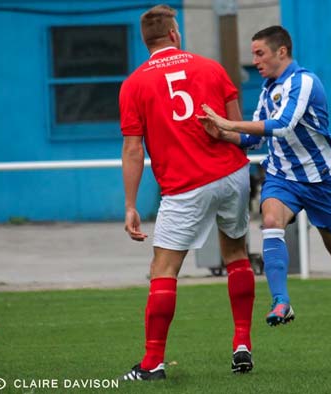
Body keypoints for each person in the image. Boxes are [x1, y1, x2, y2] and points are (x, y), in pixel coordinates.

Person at [198, 25, 331, 327]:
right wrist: (220, 134)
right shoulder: (267, 90)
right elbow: (254, 140)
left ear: (281, 52)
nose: (255, 61)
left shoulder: (304, 82)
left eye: (260, 54)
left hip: (320, 180)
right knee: (271, 221)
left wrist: (229, 124)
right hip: (282, 176)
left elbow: (282, 125)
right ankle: (281, 301)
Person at [118, 4, 255, 380]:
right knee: (236, 253)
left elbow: (134, 149)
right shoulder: (211, 68)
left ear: (146, 41)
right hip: (231, 174)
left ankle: (151, 364)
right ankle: (241, 342)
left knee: (163, 269)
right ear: (175, 35)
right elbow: (236, 127)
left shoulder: (134, 84)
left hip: (185, 186)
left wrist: (130, 205)